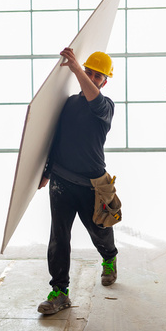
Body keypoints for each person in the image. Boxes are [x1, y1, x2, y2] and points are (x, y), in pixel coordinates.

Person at [36, 47, 118, 315]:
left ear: (104, 81)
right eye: (89, 72)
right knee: (59, 237)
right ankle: (60, 291)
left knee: (99, 232)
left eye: (98, 76)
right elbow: (57, 138)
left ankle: (109, 257)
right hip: (62, 180)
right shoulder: (70, 103)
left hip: (93, 185)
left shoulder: (105, 107)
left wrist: (76, 69)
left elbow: (94, 99)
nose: (92, 78)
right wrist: (47, 171)